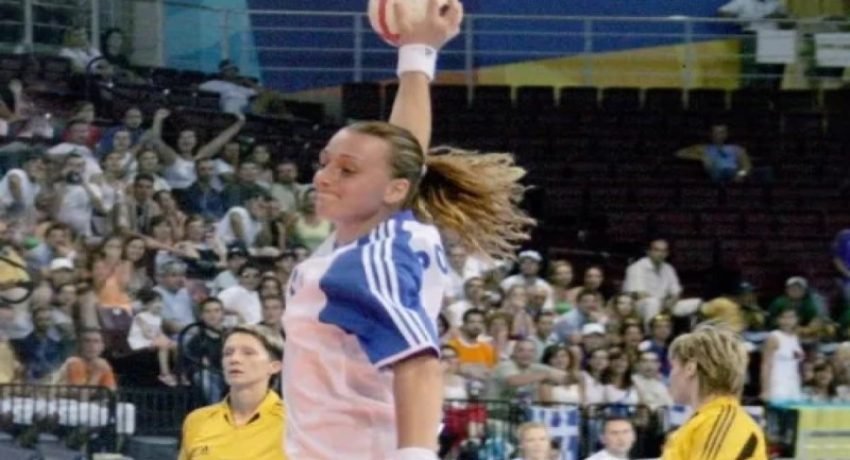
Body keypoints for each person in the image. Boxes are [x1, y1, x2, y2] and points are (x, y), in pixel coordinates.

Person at [283, 1, 533, 458]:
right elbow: (403, 153)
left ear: (394, 189)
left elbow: (418, 364)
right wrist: (418, 55)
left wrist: (415, 454)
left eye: (345, 170)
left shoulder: (366, 263)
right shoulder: (387, 230)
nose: (323, 178)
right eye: (325, 163)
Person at [179, 324, 285, 460]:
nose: (234, 359)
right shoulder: (197, 421)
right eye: (228, 353)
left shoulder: (293, 424)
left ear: (274, 366)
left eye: (248, 353)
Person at [662, 325, 767, 460]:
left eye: (673, 366)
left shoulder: (724, 423)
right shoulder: (705, 421)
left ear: (690, 368)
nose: (671, 375)